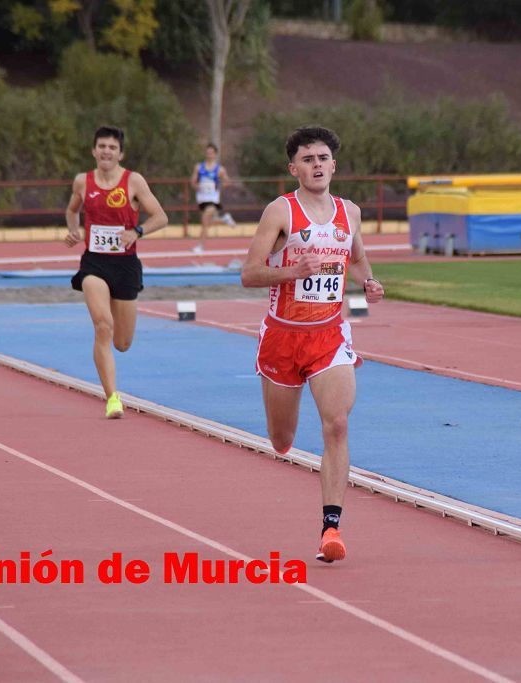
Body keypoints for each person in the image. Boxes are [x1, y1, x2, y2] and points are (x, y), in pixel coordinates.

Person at [241, 126, 385, 563]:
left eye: (323, 158)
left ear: (334, 165)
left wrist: (369, 282)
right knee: (281, 440)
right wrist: (292, 272)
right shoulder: (280, 212)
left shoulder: (350, 212)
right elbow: (249, 273)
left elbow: (356, 256)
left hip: (329, 336)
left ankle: (331, 528)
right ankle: (283, 431)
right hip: (283, 337)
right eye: (308, 159)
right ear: (294, 168)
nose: (317, 165)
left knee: (337, 424)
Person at [65, 125, 168, 418]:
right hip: (94, 263)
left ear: (120, 153)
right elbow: (72, 210)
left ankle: (113, 383)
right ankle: (112, 398)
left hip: (126, 265)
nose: (106, 151)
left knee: (122, 343)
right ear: (93, 151)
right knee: (102, 326)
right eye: (101, 146)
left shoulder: (133, 181)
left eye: (112, 147)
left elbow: (161, 217)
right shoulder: (82, 182)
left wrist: (137, 230)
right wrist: (74, 232)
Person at [189, 143, 235, 253]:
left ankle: (200, 246)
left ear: (215, 154)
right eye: (207, 152)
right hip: (202, 199)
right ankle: (224, 219)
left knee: (205, 222)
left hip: (213, 199)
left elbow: (227, 182)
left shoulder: (220, 169)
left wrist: (218, 185)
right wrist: (197, 186)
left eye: (211, 153)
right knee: (207, 223)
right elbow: (193, 182)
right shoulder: (199, 167)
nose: (209, 155)